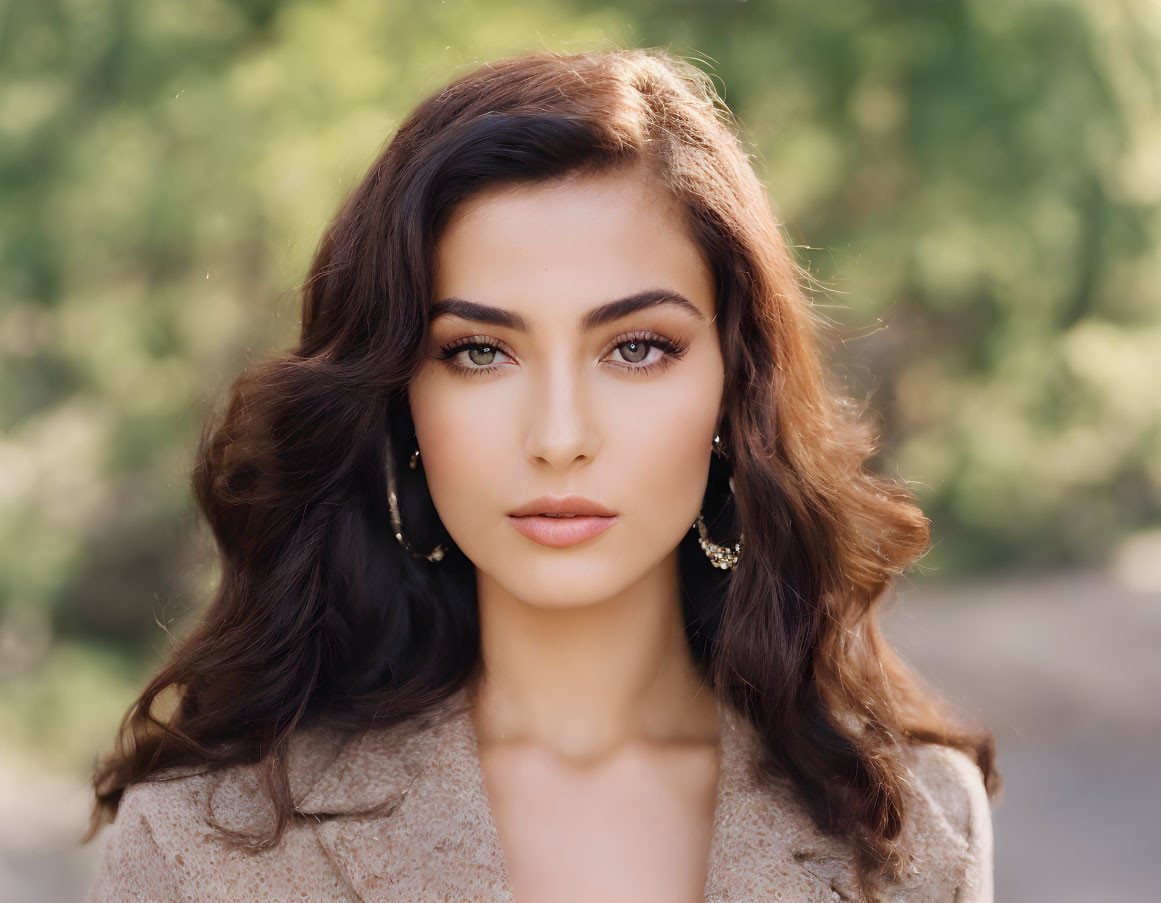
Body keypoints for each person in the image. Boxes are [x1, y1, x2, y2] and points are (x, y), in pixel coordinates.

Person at [84, 47, 999, 902]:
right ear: (401, 400)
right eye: (479, 351)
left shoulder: (913, 829)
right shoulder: (198, 847)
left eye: (637, 347)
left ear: (735, 393)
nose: (558, 437)